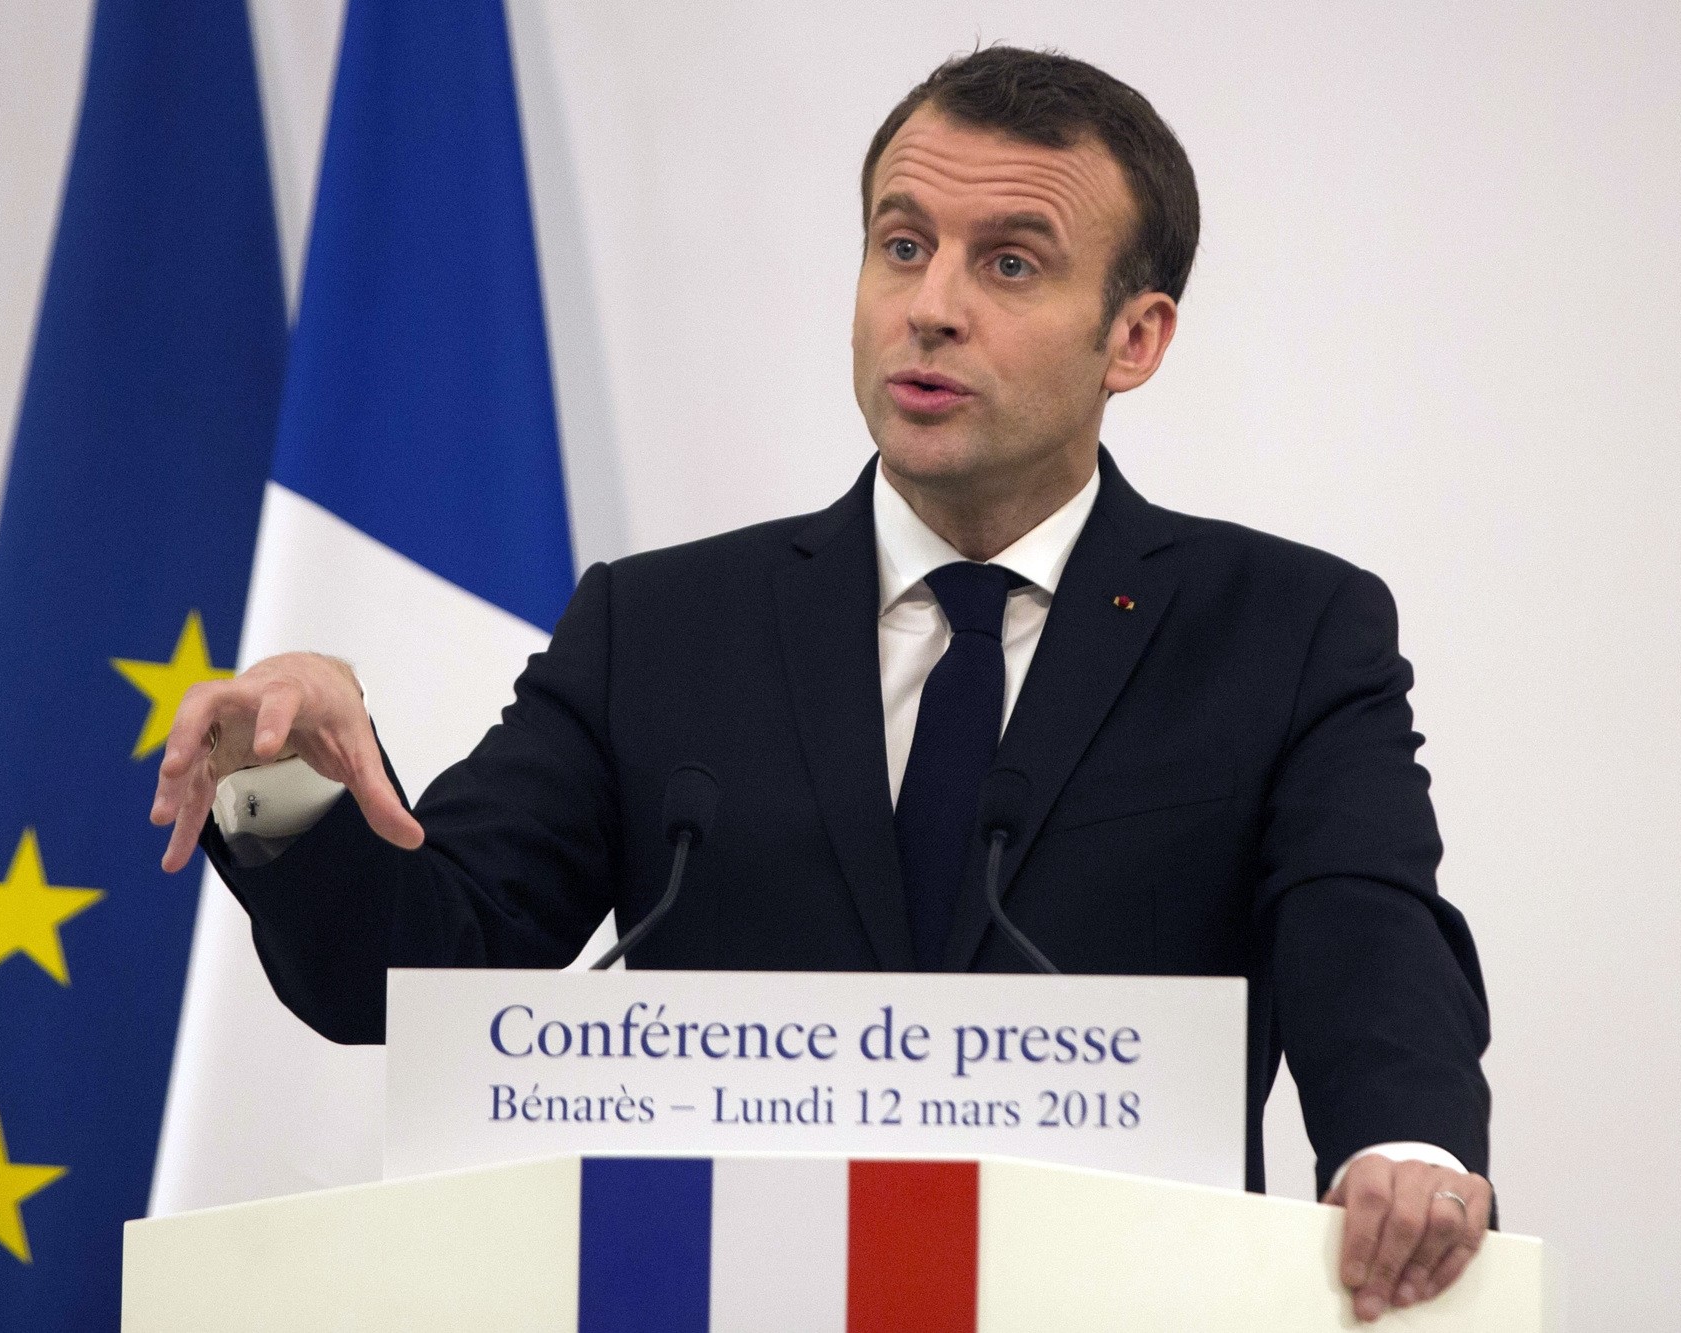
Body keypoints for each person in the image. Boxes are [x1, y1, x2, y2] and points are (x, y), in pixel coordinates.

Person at [149, 47, 1493, 1321]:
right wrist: (291, 792)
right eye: (902, 244)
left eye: (1009, 263)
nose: (930, 303)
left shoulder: (1287, 629)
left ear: (1132, 339)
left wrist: (1401, 1140)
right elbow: (420, 969)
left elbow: (1363, 923)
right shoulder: (658, 626)